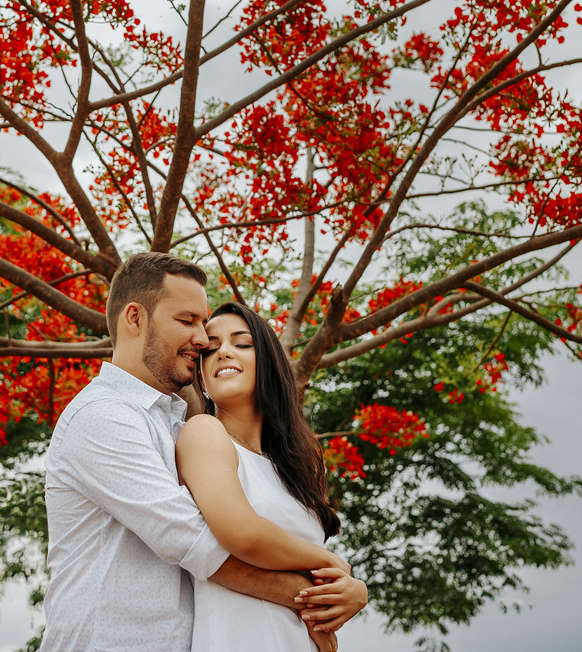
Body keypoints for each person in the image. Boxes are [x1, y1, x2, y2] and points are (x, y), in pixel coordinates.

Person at [42, 252, 366, 652]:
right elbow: (192, 541)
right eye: (187, 320)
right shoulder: (102, 415)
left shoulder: (173, 425)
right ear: (135, 318)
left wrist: (348, 590)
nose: (202, 339)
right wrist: (312, 603)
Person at [177, 301, 352, 652]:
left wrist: (351, 589)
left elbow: (313, 584)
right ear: (202, 377)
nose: (223, 352)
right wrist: (333, 562)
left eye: (242, 344)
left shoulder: (289, 469)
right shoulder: (203, 432)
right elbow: (243, 535)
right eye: (210, 349)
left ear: (269, 363)